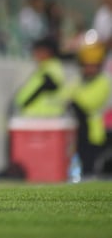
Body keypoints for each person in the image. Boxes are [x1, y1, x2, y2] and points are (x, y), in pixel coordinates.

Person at [67, 42, 110, 176]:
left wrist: (73, 99)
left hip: (93, 131)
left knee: (90, 167)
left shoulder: (104, 82)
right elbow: (64, 96)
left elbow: (88, 103)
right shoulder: (78, 80)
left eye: (93, 66)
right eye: (86, 65)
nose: (89, 69)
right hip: (76, 131)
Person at [13, 37, 67, 118]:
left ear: (48, 51)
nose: (35, 53)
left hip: (44, 119)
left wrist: (24, 103)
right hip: (36, 118)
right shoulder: (44, 68)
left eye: (38, 50)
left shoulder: (51, 69)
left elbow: (45, 87)